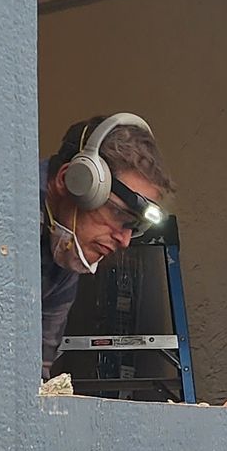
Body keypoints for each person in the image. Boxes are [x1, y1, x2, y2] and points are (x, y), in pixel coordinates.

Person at [39, 111, 177, 378]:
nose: (124, 240)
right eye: (118, 214)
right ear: (71, 180)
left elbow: (37, 366)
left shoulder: (65, 244)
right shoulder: (4, 220)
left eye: (134, 227)